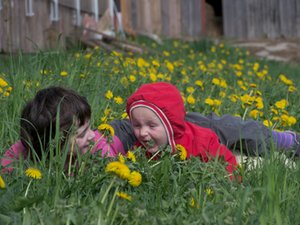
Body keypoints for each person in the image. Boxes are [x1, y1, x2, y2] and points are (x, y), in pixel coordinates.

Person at [125, 82, 300, 175]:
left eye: (151, 125)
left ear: (170, 124)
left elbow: (228, 162)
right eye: (137, 125)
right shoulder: (140, 147)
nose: (142, 133)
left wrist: (230, 180)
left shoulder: (201, 139)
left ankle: (289, 144)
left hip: (224, 141)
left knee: (250, 147)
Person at [0, 86, 134, 173]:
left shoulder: (96, 145)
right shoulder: (29, 147)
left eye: (88, 128)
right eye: (81, 134)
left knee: (144, 127)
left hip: (123, 133)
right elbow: (4, 166)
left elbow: (111, 172)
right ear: (54, 142)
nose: (92, 135)